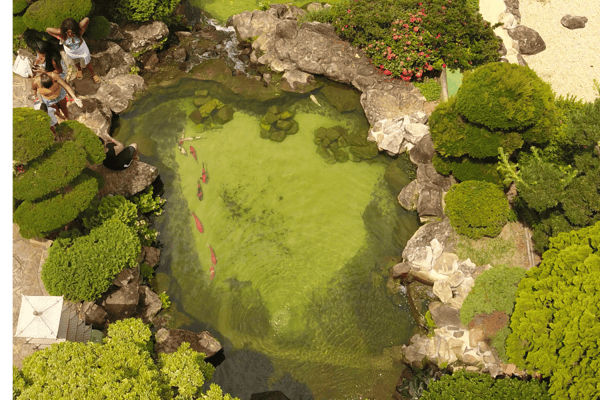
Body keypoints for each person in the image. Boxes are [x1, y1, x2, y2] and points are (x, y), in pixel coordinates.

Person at [46, 17, 100, 83]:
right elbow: (48, 29)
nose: (70, 34)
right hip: (71, 52)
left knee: (88, 62)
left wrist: (78, 26)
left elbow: (86, 19)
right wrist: (59, 32)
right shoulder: (62, 36)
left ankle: (93, 73)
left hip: (82, 49)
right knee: (76, 62)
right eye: (67, 32)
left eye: (72, 32)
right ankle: (79, 70)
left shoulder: (79, 32)